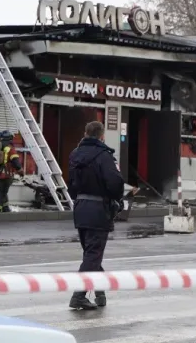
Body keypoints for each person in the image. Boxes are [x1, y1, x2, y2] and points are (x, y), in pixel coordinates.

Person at [67, 121, 125, 310]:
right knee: (93, 255)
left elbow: (71, 184)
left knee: (91, 254)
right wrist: (117, 200)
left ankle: (100, 292)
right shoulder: (104, 156)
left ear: (85, 133)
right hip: (99, 209)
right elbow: (115, 183)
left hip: (80, 208)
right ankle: (79, 295)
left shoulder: (75, 155)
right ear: (102, 136)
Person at [0, 130, 24, 212]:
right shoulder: (10, 148)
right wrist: (21, 171)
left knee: (3, 190)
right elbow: (15, 161)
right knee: (2, 192)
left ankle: (5, 208)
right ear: (10, 138)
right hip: (7, 175)